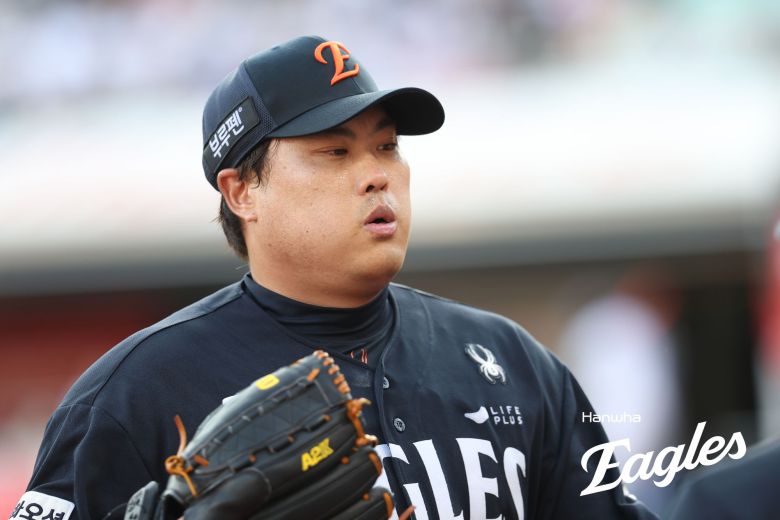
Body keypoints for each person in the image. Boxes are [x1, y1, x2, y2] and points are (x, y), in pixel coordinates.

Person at [17, 36, 658, 520]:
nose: (377, 174)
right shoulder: (136, 394)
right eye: (335, 150)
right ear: (242, 192)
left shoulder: (512, 362)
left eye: (387, 146)